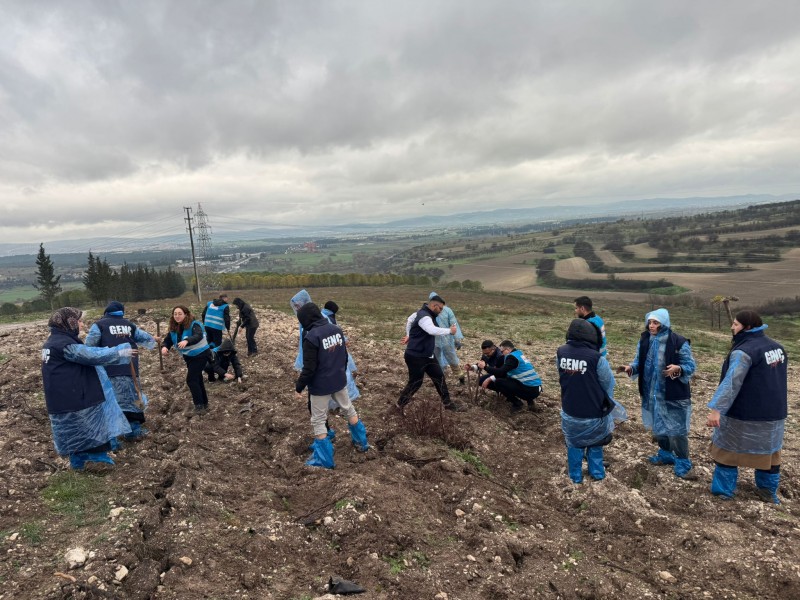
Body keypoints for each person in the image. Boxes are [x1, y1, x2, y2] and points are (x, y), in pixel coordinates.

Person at [706, 310, 788, 503]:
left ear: (747, 327)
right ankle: (767, 492)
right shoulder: (777, 348)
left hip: (743, 413)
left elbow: (731, 383)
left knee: (727, 451)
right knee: (769, 454)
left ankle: (723, 491)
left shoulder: (744, 352)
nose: (732, 327)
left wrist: (716, 410)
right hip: (774, 412)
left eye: (735, 324)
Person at [41, 307, 135, 471]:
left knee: (73, 431)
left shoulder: (53, 342)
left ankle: (79, 461)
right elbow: (90, 355)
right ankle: (94, 461)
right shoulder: (64, 344)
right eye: (79, 321)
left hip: (62, 396)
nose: (82, 325)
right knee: (87, 427)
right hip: (75, 396)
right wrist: (119, 352)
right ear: (69, 323)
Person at [619, 308, 697, 479]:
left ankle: (683, 462)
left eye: (655, 323)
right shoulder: (645, 340)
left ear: (664, 324)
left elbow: (690, 366)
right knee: (658, 426)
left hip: (673, 394)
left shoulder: (678, 342)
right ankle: (665, 454)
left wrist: (679, 368)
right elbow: (639, 362)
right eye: (650, 322)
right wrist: (631, 368)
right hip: (652, 393)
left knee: (676, 430)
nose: (651, 326)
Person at [295, 302, 369, 469]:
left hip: (320, 386)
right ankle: (361, 442)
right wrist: (340, 372)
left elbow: (309, 368)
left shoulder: (311, 337)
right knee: (348, 409)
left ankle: (324, 460)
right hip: (339, 380)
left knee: (318, 420)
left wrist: (299, 387)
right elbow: (344, 356)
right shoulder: (336, 330)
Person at [557, 319, 627, 483]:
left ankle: (575, 476)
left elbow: (562, 375)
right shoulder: (596, 358)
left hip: (569, 409)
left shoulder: (561, 352)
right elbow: (608, 383)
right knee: (596, 442)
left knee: (573, 443)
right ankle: (597, 473)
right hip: (593, 411)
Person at [85, 301, 157, 441]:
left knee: (111, 400)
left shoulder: (99, 325)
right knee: (132, 398)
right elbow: (144, 338)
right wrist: (154, 340)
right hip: (129, 368)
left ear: (106, 312)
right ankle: (133, 431)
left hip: (108, 369)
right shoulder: (129, 324)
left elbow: (89, 346)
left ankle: (113, 437)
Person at [397, 295, 463, 413]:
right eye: (440, 308)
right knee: (415, 383)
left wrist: (409, 335)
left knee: (439, 377)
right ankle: (399, 405)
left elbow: (410, 319)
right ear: (434, 306)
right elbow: (431, 330)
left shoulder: (421, 313)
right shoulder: (425, 317)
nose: (441, 311)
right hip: (416, 356)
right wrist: (449, 331)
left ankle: (448, 404)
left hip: (428, 355)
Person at [161, 305, 213, 415]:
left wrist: (187, 341)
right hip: (189, 357)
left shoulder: (194, 324)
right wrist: (165, 347)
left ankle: (199, 406)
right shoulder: (174, 327)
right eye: (175, 314)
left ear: (186, 314)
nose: (177, 316)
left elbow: (198, 335)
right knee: (197, 378)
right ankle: (204, 403)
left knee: (191, 380)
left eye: (180, 314)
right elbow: (168, 340)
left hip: (201, 355)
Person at [478, 340, 543, 413]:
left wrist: (485, 367)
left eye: (502, 351)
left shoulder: (511, 358)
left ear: (508, 349)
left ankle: (517, 404)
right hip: (536, 387)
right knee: (507, 379)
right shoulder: (518, 354)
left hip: (530, 390)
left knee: (499, 382)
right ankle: (529, 401)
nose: (501, 353)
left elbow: (500, 372)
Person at [322, 300, 360, 403]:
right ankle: (344, 398)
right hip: (335, 351)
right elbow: (335, 333)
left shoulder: (322, 316)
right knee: (343, 374)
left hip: (327, 353)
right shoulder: (329, 319)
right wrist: (344, 340)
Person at [429, 291, 465, 384]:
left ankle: (461, 377)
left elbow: (454, 324)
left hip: (447, 340)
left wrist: (456, 339)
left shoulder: (448, 311)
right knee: (437, 361)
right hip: (435, 341)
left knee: (452, 359)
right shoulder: (429, 312)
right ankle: (439, 380)